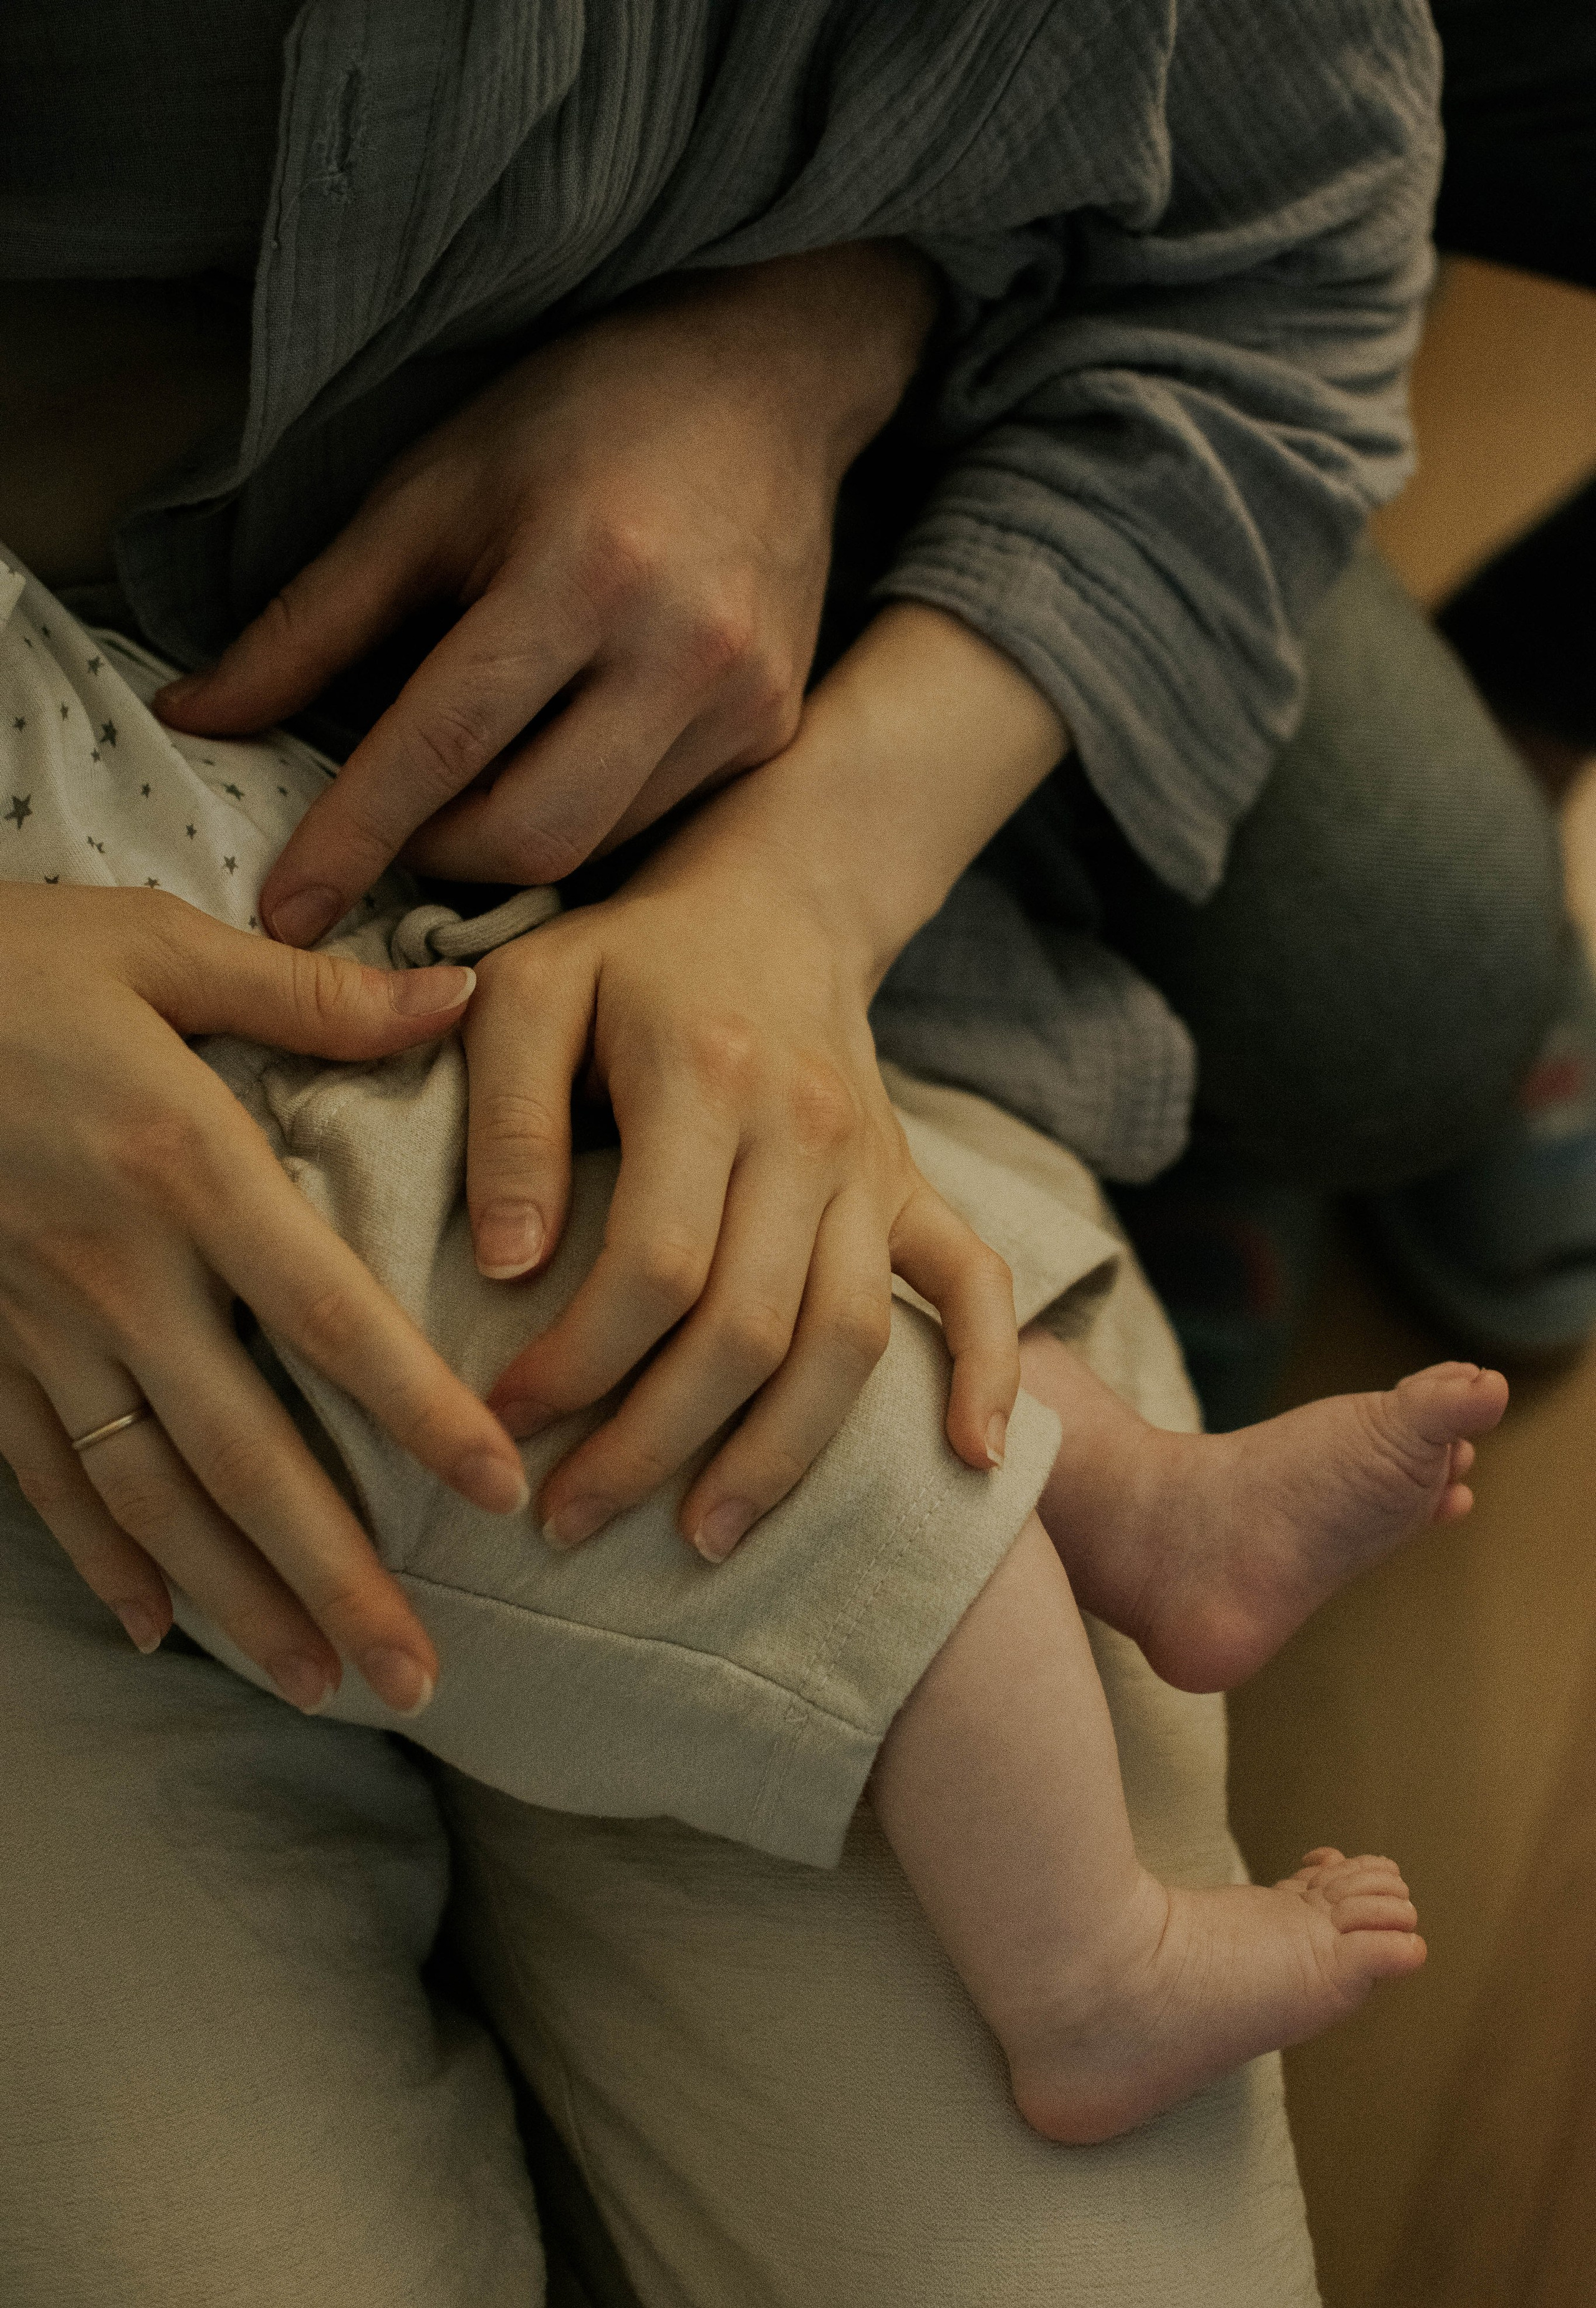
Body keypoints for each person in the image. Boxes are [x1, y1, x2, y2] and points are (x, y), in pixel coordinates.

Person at [2, 547, 1513, 2147]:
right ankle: (1088, 1972)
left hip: (374, 988)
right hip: (208, 1184)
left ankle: (1143, 1508)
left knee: (816, 1243)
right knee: (835, 1454)